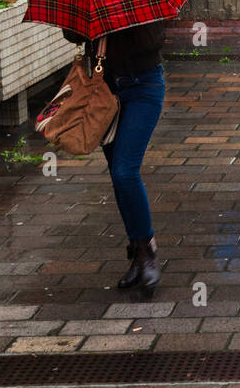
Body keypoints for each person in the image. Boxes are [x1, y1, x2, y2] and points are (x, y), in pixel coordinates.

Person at [63, 23, 166, 293]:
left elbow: (152, 42)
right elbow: (72, 34)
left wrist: (115, 19)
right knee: (117, 176)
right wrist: (89, 20)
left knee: (125, 171)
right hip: (103, 91)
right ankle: (136, 251)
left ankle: (147, 251)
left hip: (144, 86)